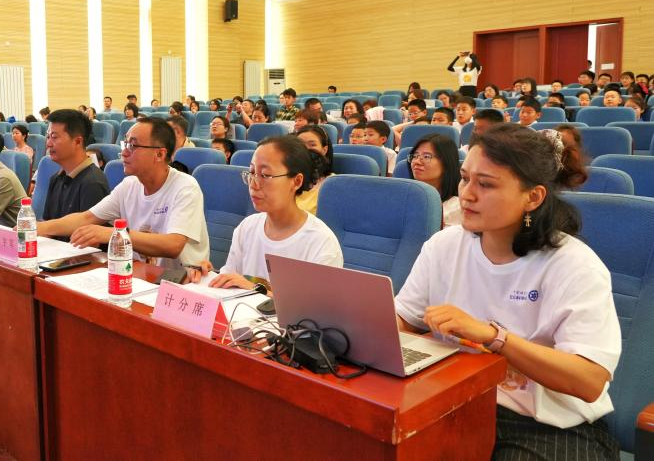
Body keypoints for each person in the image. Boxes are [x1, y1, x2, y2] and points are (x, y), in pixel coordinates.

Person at [395, 124, 619, 460]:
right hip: (454, 401)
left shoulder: (574, 264)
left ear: (533, 197)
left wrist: (494, 337)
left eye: (485, 184)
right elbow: (403, 319)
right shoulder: (444, 246)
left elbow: (589, 381)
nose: (467, 194)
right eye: (465, 178)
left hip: (545, 424)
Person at [38, 117, 210, 270]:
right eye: (125, 144)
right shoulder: (129, 185)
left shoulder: (185, 187)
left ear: (159, 154)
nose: (124, 152)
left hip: (181, 280)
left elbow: (173, 245)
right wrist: (35, 228)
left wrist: (112, 233)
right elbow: (87, 218)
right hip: (139, 274)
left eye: (133, 146)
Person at [195, 136, 344, 289]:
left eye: (265, 175)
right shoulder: (247, 227)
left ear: (296, 181)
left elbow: (315, 304)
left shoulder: (320, 242)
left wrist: (254, 289)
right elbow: (229, 282)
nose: (254, 184)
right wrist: (206, 276)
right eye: (252, 172)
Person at [42, 110, 111, 225]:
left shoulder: (93, 183)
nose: (48, 143)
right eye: (48, 137)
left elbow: (89, 233)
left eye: (54, 137)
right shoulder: (56, 179)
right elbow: (47, 224)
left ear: (78, 141)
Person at [407, 133, 461, 227]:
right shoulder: (405, 198)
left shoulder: (458, 207)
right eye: (415, 156)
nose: (417, 162)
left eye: (426, 156)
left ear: (446, 163)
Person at [294, 125, 334, 216]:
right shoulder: (286, 176)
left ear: (324, 150)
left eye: (312, 145)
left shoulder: (331, 183)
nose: (305, 149)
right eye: (300, 145)